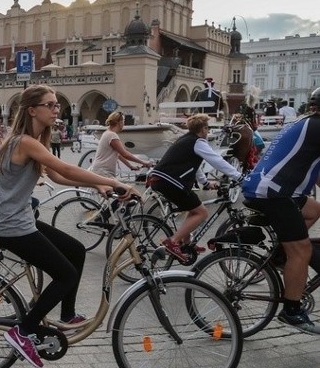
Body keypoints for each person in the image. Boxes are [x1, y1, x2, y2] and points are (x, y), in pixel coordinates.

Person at [0, 84, 135, 368]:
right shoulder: (23, 142)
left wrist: (101, 185)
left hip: (20, 220)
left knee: (76, 250)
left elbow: (57, 176)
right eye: (51, 105)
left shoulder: (32, 142)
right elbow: (67, 169)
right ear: (33, 110)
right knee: (65, 275)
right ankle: (24, 330)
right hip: (11, 226)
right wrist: (117, 182)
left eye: (58, 105)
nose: (57, 110)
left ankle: (67, 315)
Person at [242, 87, 320, 334]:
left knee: (314, 210)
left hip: (271, 188)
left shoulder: (306, 123)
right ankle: (292, 310)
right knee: (302, 249)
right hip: (275, 192)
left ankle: (278, 255)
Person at [148, 113, 243, 262]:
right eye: (208, 127)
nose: (209, 131)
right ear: (203, 129)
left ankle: (187, 244)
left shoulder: (187, 140)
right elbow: (217, 160)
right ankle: (173, 242)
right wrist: (239, 176)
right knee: (201, 212)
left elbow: (194, 164)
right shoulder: (198, 142)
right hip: (171, 181)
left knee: (192, 208)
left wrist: (205, 183)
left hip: (161, 179)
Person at [90, 111, 153, 178]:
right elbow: (125, 154)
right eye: (123, 121)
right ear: (119, 122)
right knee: (125, 188)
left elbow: (119, 154)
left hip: (102, 171)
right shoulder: (112, 135)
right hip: (103, 172)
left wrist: (130, 166)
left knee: (119, 188)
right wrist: (144, 162)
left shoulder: (107, 133)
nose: (124, 124)